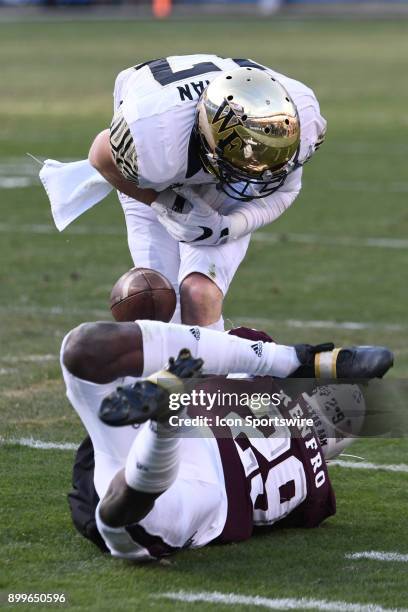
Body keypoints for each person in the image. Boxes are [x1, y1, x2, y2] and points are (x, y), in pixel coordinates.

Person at [61, 318, 392, 560]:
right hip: (208, 493)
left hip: (189, 446)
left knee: (81, 349)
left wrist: (298, 362)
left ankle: (167, 414)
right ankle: (166, 418)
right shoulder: (317, 493)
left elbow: (219, 348)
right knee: (126, 519)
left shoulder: (268, 383)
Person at [88, 55, 327, 329]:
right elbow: (100, 156)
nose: (258, 172)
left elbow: (284, 190)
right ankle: (174, 366)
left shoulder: (299, 116)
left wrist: (228, 227)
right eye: (248, 162)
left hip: (207, 153)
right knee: (159, 301)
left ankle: (210, 370)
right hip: (164, 165)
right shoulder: (154, 142)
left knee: (200, 293)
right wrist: (167, 204)